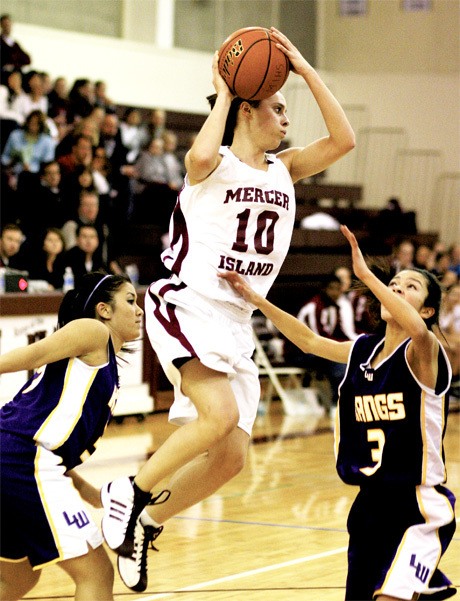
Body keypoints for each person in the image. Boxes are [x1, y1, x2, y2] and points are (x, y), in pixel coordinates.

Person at [99, 27, 355, 592]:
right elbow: (197, 154)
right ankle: (131, 491)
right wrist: (225, 90)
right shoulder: (211, 164)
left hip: (236, 321)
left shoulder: (285, 169)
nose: (288, 116)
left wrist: (306, 71)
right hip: (189, 301)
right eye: (278, 106)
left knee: (232, 456)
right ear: (245, 109)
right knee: (215, 417)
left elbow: (343, 141)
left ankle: (145, 523)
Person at [219, 224, 456, 601]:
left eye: (410, 287)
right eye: (395, 283)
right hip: (369, 503)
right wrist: (253, 299)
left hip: (417, 505)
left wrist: (365, 276)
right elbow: (308, 341)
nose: (396, 288)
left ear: (427, 309)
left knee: (391, 597)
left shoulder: (423, 351)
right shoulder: (362, 350)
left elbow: (416, 330)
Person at [0, 271, 143, 601]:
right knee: (96, 573)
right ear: (104, 309)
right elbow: (36, 354)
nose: (139, 311)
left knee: (18, 579)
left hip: (18, 458)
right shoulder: (93, 331)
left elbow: (53, 443)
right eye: (130, 301)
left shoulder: (105, 366)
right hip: (21, 461)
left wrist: (90, 492)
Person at [295, 273, 356, 410]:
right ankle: (337, 403)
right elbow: (316, 339)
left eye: (338, 289)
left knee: (348, 357)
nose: (335, 293)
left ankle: (345, 400)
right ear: (324, 289)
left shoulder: (334, 307)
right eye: (332, 289)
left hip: (316, 350)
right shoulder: (313, 307)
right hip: (300, 352)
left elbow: (339, 333)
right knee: (337, 362)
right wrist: (338, 349)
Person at [1, 109, 55, 176]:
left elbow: (49, 164)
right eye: (31, 122)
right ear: (27, 122)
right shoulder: (15, 135)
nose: (32, 126)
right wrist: (10, 161)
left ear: (41, 126)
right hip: (13, 172)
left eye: (36, 124)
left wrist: (30, 169)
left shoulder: (48, 141)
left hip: (36, 176)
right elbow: (5, 156)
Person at [0, 14, 31, 83]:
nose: (7, 27)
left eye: (9, 24)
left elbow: (27, 59)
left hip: (16, 71)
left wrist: (14, 64)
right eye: (5, 24)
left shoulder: (14, 44)